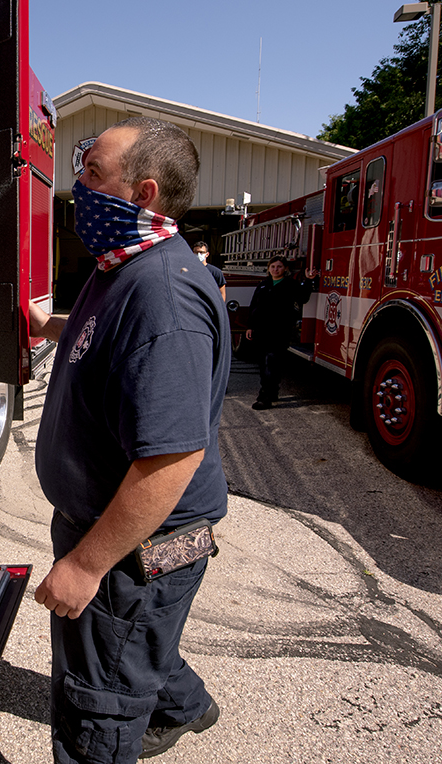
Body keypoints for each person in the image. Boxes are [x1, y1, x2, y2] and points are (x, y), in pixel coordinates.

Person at [29, 116, 229, 763]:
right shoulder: (120, 269)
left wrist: (86, 565)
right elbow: (101, 335)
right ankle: (185, 706)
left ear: (141, 193)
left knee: (98, 706)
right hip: (127, 541)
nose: (78, 187)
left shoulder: (161, 297)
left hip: (132, 548)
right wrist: (45, 325)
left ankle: (128, 719)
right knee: (139, 644)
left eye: (93, 175)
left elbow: (172, 456)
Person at [245, 254, 316, 410]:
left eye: (279, 267)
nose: (275, 269)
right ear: (269, 269)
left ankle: (265, 397)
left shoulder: (291, 285)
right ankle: (272, 391)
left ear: (286, 269)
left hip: (279, 331)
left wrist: (309, 280)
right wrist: (250, 326)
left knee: (272, 363)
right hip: (261, 330)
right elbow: (253, 306)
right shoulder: (263, 285)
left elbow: (303, 297)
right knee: (264, 364)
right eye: (273, 266)